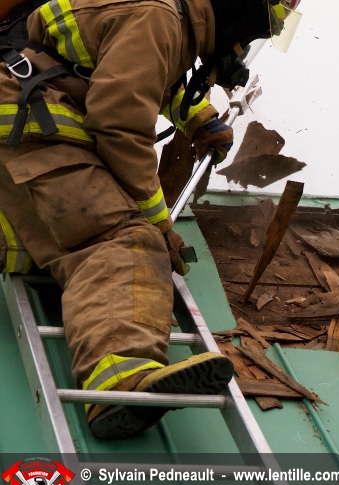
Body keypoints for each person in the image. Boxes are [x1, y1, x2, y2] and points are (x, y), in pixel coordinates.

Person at [0, 0, 302, 439]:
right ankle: (121, 378)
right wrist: (158, 225)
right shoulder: (158, 17)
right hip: (35, 123)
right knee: (122, 242)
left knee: (51, 247)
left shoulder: (166, 15)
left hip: (24, 115)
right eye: (260, 27)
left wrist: (198, 118)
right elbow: (119, 124)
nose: (242, 46)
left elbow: (133, 75)